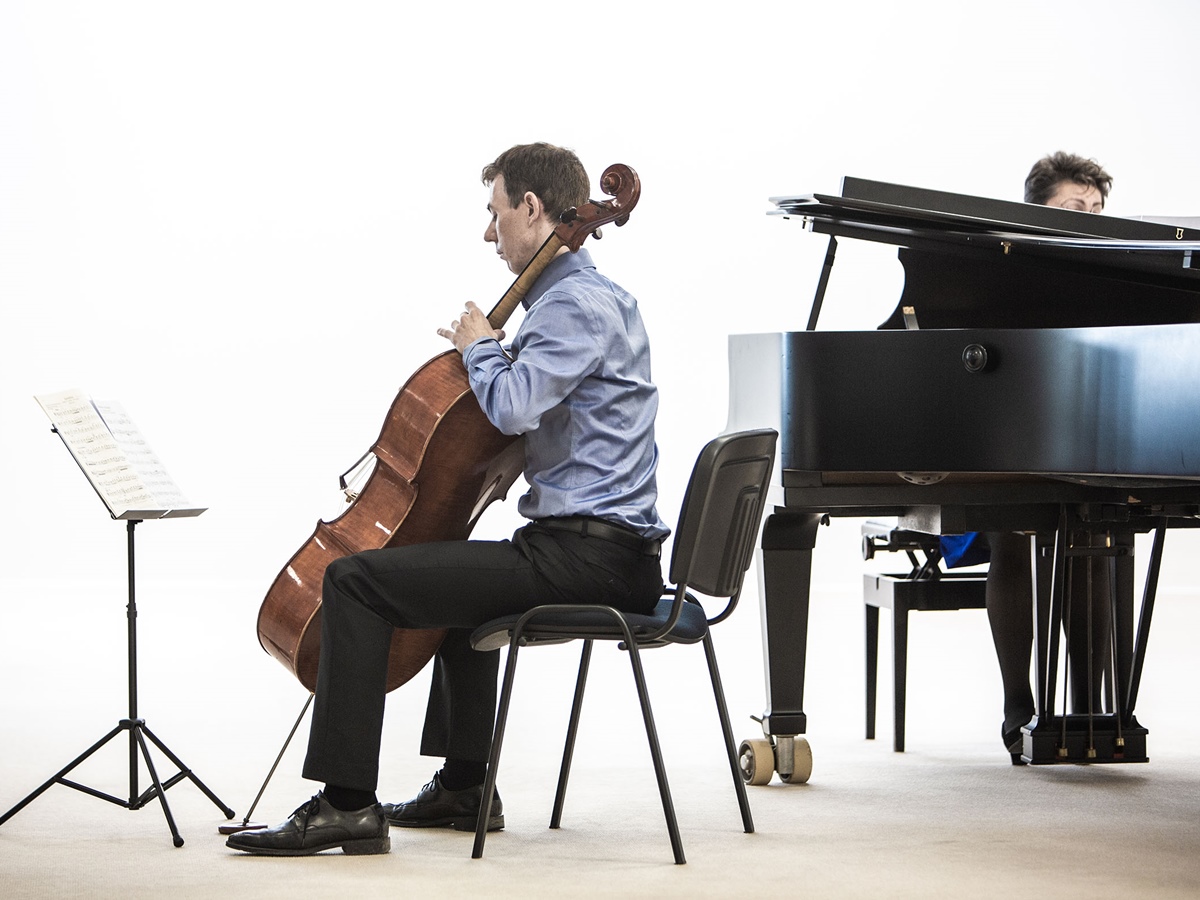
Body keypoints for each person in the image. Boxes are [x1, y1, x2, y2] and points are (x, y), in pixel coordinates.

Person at [227, 142, 670, 856]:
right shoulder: (602, 299)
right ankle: (465, 786)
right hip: (606, 554)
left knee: (355, 581)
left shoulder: (571, 307)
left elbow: (514, 406)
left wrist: (479, 346)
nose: (489, 233)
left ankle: (346, 804)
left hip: (590, 559)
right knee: (467, 586)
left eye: (496, 213)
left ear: (532, 208)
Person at [964, 152, 1116, 764]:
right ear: (1038, 210)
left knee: (1098, 537)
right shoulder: (1000, 266)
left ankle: (1088, 708)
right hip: (1010, 421)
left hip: (1093, 424)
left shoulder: (1117, 274)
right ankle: (1017, 702)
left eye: (1097, 210)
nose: (1089, 219)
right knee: (1009, 538)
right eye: (1075, 208)